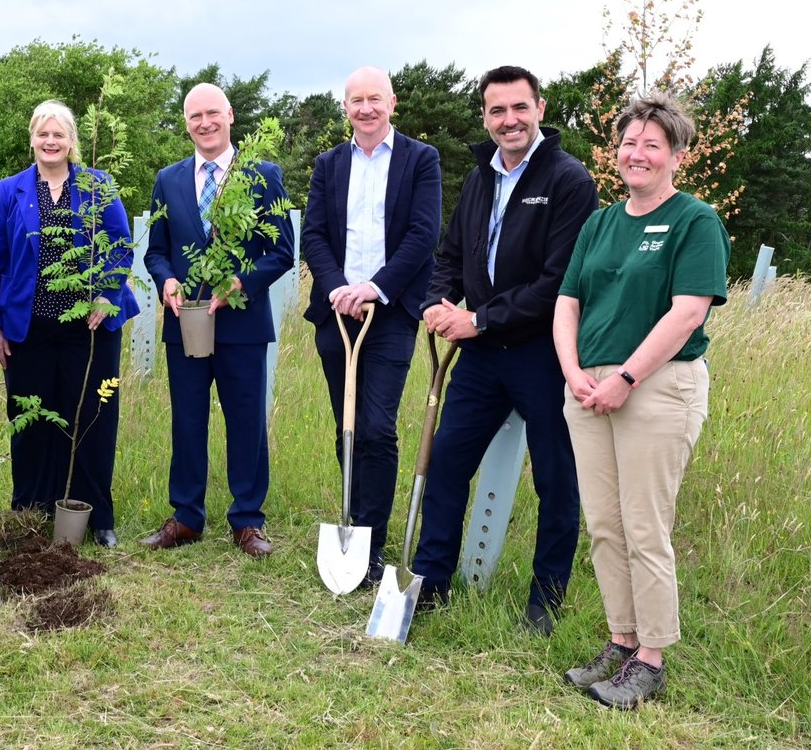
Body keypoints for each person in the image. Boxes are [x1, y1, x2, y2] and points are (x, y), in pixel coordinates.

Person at [554, 94, 729, 708]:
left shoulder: (695, 221)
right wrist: (573, 372)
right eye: (629, 142)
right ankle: (621, 641)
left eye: (652, 144)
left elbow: (687, 314)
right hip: (589, 387)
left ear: (677, 155)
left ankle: (651, 659)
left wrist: (625, 378)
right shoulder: (600, 223)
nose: (638, 153)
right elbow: (568, 302)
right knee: (604, 524)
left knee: (644, 526)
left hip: (656, 386)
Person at [411, 66, 599, 634]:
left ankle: (545, 602)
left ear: (540, 109)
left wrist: (478, 318)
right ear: (485, 117)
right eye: (497, 110)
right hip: (482, 355)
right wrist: (436, 302)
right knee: (446, 461)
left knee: (555, 479)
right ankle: (430, 581)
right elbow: (449, 256)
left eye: (519, 108)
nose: (509, 120)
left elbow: (558, 282)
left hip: (543, 354)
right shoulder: (480, 179)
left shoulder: (569, 181)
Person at [141, 82, 295, 557]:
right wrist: (166, 279)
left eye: (212, 113)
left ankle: (247, 520)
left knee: (246, 422)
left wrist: (240, 285)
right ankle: (186, 517)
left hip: (242, 326)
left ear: (230, 115)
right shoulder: (168, 180)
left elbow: (282, 251)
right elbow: (156, 251)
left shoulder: (262, 175)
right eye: (195, 116)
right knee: (187, 421)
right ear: (186, 124)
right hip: (185, 322)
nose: (205, 123)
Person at [302, 66, 442, 586]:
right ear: (346, 107)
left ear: (392, 103)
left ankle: (371, 540)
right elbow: (314, 234)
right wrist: (338, 287)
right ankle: (351, 532)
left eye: (375, 99)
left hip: (390, 311)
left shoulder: (420, 159)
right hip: (336, 311)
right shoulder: (329, 164)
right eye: (356, 100)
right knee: (348, 425)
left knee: (377, 427)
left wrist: (374, 288)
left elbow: (423, 234)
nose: (365, 108)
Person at [0, 100, 139, 548]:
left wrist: (107, 295)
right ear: (32, 139)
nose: (50, 142)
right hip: (27, 327)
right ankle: (31, 514)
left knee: (92, 418)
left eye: (59, 134)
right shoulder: (9, 190)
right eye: (43, 134)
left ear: (72, 141)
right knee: (31, 419)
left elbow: (120, 246)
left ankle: (97, 517)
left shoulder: (97, 185)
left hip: (89, 327)